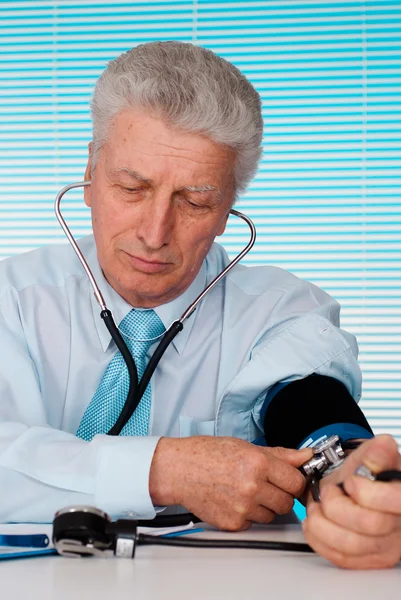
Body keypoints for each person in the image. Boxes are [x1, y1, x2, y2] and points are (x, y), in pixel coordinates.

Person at [0, 41, 400, 570]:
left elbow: (308, 405)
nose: (154, 232)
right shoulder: (11, 300)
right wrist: (161, 470)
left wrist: (353, 487)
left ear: (230, 204)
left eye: (195, 201)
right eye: (131, 187)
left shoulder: (281, 311)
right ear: (91, 176)